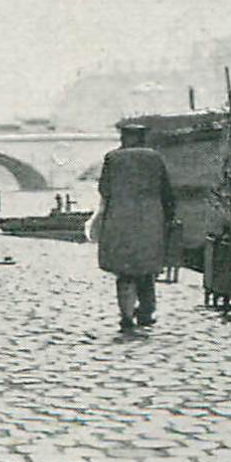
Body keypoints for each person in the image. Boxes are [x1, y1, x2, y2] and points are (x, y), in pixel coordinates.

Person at [96, 123, 176, 332]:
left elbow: (104, 189)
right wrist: (169, 216)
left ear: (123, 138)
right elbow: (166, 190)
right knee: (146, 268)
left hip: (120, 219)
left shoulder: (112, 158)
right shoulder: (154, 157)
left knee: (124, 270)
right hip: (150, 219)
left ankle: (126, 314)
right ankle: (147, 311)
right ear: (142, 138)